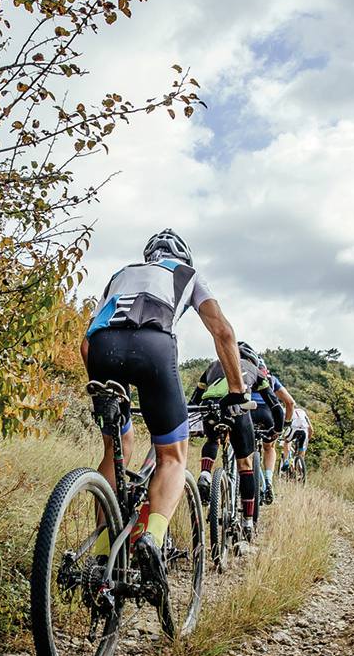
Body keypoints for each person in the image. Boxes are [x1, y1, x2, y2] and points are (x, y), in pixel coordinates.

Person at [81, 229, 248, 595]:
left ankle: (102, 553)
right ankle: (152, 538)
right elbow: (222, 332)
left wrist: (103, 383)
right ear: (183, 256)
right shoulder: (187, 274)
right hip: (153, 349)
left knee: (115, 448)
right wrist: (236, 389)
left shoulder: (121, 273)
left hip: (102, 349)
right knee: (172, 457)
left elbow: (85, 339)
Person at [189, 341, 269, 539]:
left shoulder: (212, 365)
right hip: (237, 411)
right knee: (245, 465)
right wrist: (276, 429)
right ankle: (247, 523)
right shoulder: (254, 369)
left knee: (212, 439)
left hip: (209, 407)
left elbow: (194, 400)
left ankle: (206, 475)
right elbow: (274, 404)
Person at [247, 355, 295, 504]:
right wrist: (285, 423)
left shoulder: (244, 374)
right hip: (267, 415)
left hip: (247, 412)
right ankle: (268, 479)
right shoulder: (270, 378)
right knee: (269, 447)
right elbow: (290, 402)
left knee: (242, 448)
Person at [284, 404, 312, 475]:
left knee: (286, 441)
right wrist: (307, 440)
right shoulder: (302, 411)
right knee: (301, 453)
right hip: (304, 430)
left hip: (294, 428)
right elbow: (311, 429)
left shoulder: (285, 410)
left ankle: (286, 460)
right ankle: (301, 474)